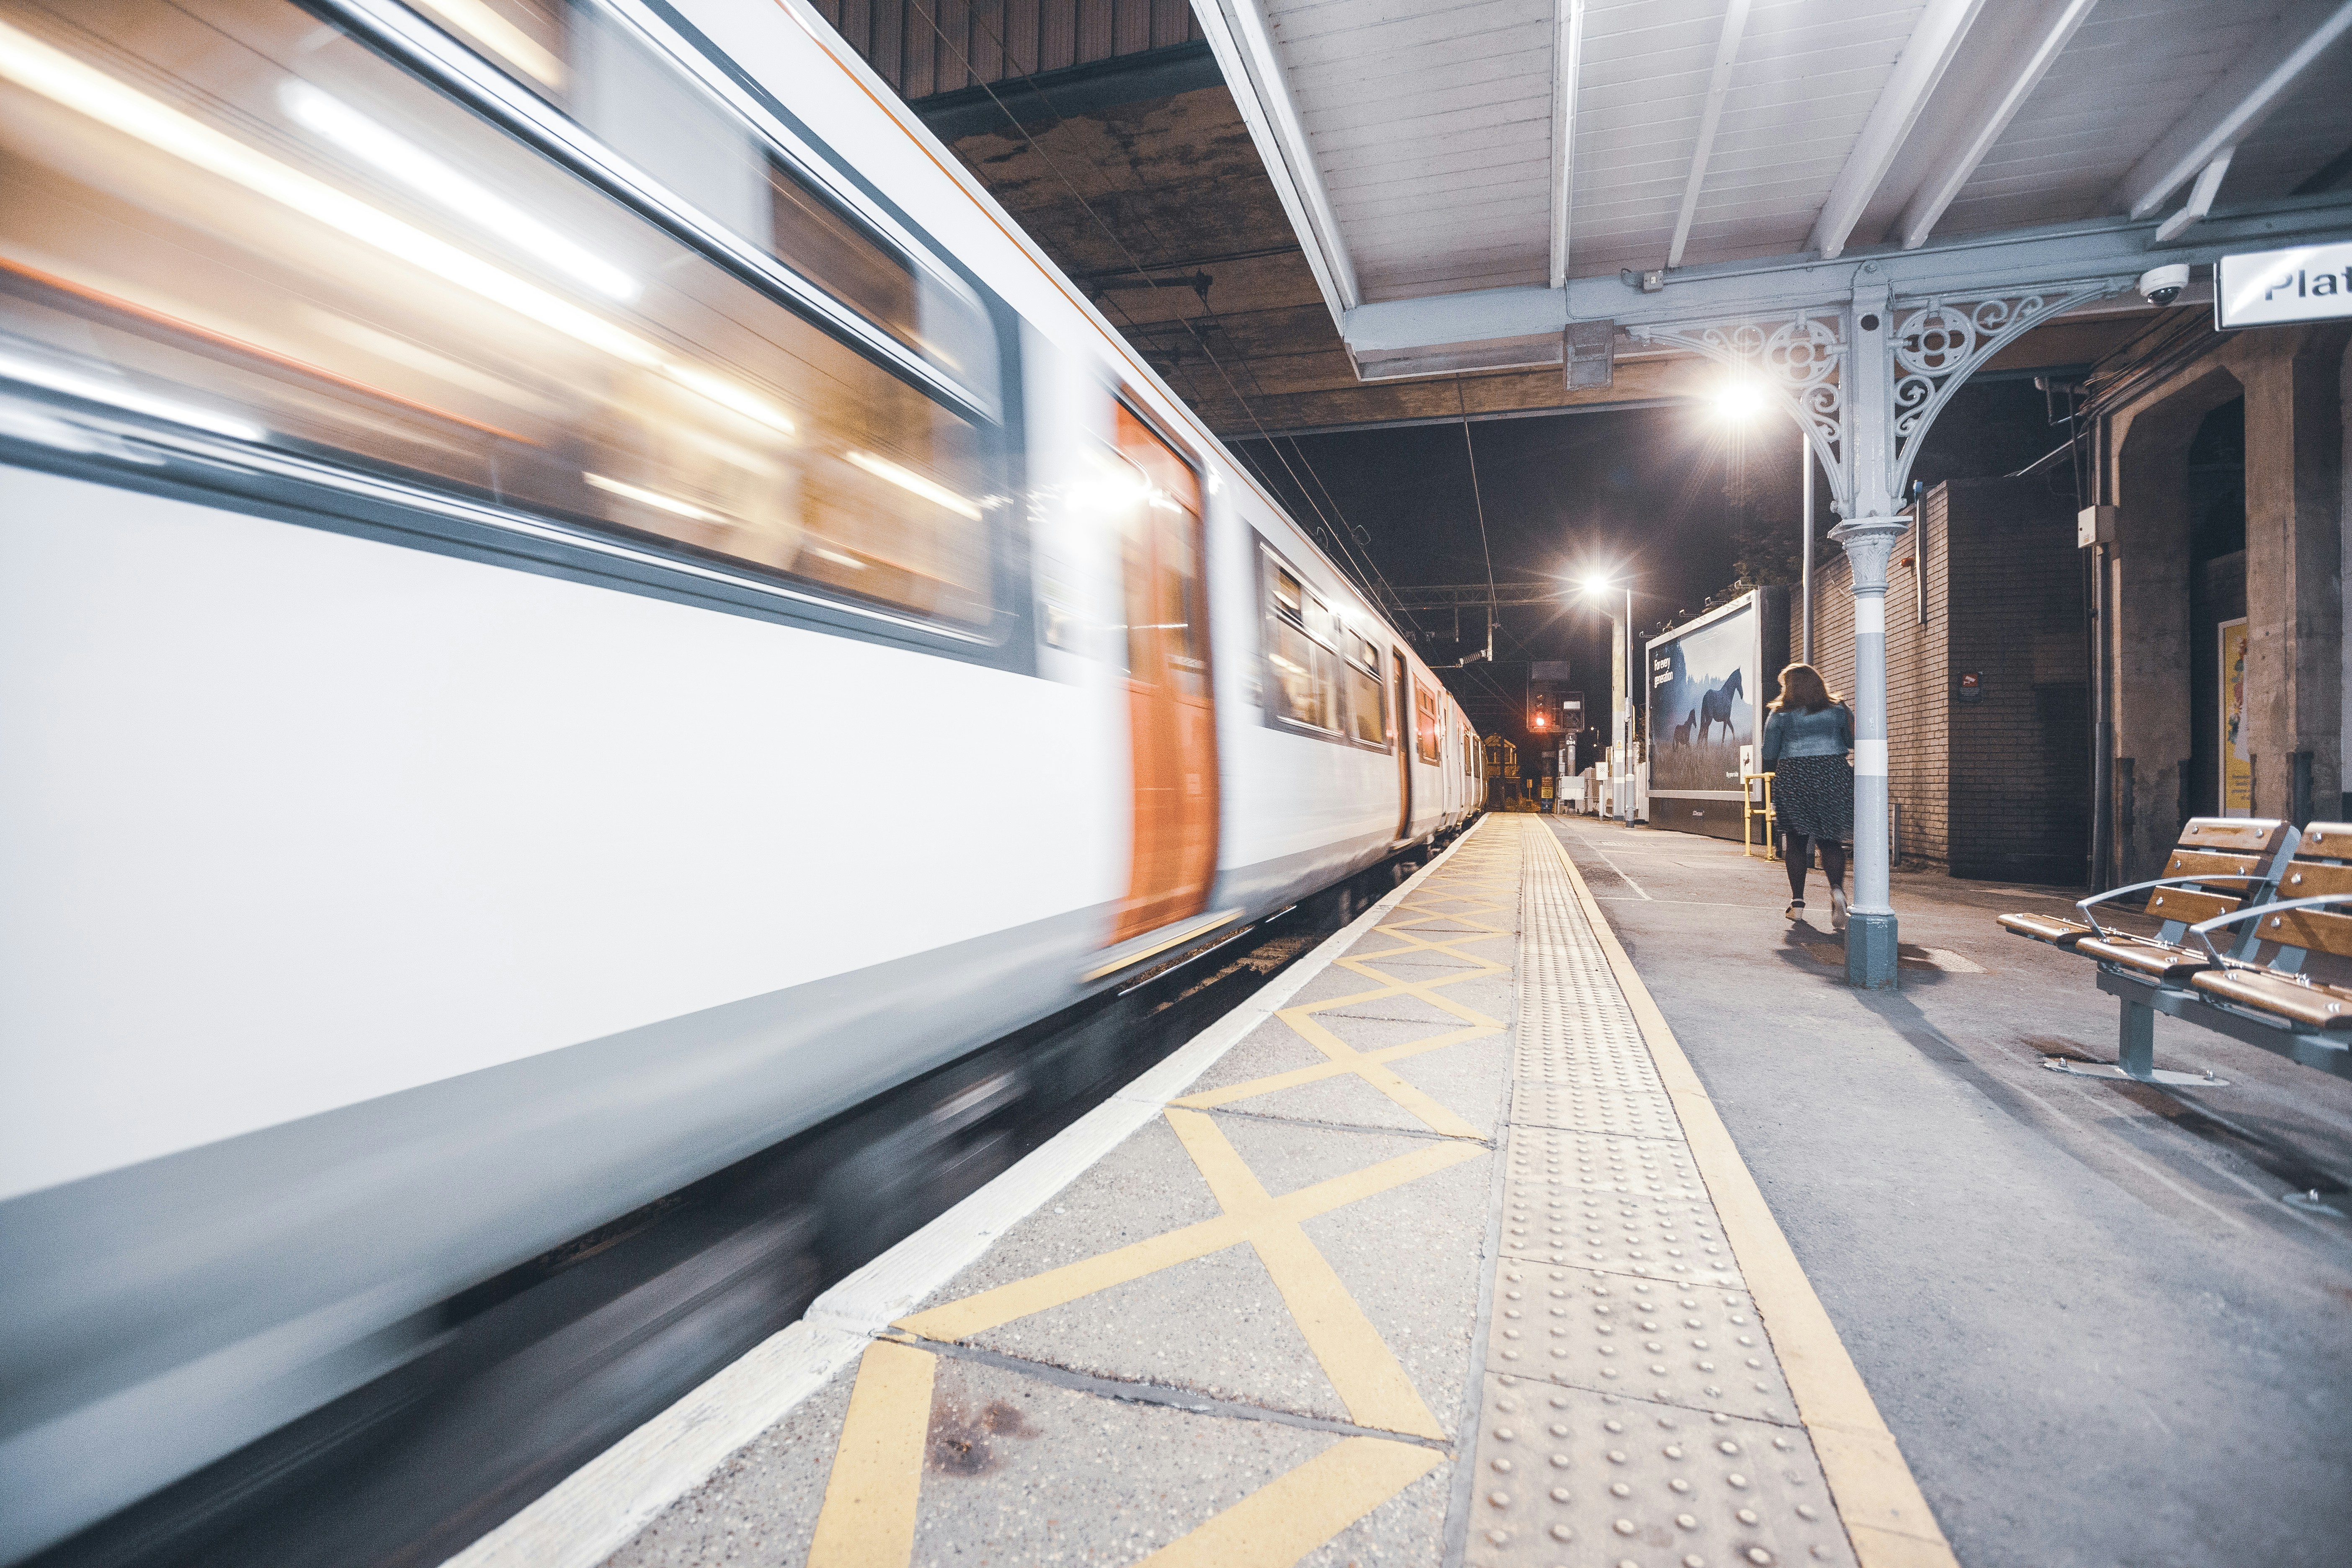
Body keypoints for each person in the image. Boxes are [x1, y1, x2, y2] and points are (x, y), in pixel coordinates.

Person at [1760, 663, 1854, 929]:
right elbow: (1850, 740)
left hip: (1795, 775)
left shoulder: (1780, 714)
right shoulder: (1838, 709)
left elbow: (1769, 752)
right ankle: (1837, 890)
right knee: (1830, 839)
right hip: (1832, 773)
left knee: (1796, 840)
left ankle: (1798, 902)